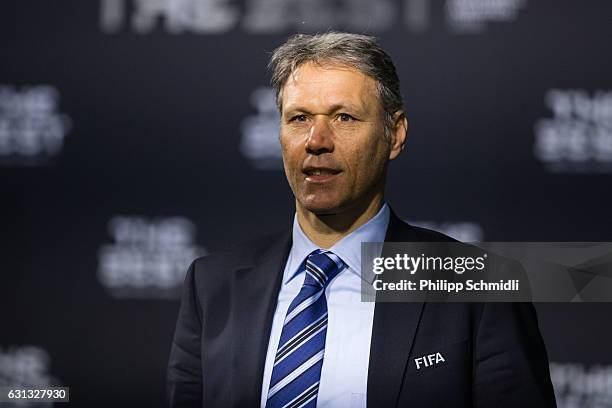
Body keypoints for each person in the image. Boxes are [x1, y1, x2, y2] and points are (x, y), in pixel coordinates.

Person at [166, 32, 556, 407]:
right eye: (299, 118)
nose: (316, 140)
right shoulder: (212, 285)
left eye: (344, 118)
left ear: (395, 134)